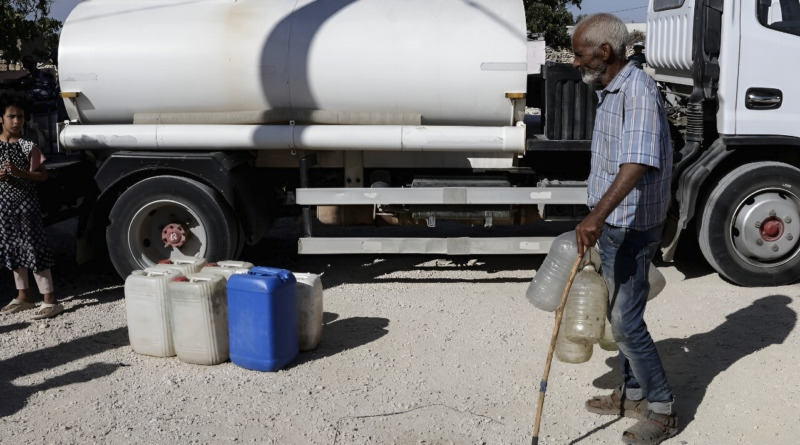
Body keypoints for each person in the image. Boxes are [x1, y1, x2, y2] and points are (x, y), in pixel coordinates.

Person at [571, 14, 677, 445]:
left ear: (605, 52)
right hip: (616, 224)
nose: (575, 62)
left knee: (625, 322)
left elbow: (636, 162)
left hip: (630, 226)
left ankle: (663, 409)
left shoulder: (635, 90)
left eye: (580, 54)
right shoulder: (611, 88)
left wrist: (596, 216)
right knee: (623, 313)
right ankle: (633, 393)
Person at [0, 94, 62, 319]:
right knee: (13, 249)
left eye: (21, 117)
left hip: (26, 207)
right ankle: (23, 296)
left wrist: (18, 173)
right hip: (5, 209)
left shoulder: (28, 146)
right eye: (12, 116)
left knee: (35, 248)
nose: (17, 121)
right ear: (1, 119)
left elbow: (42, 175)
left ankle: (50, 299)